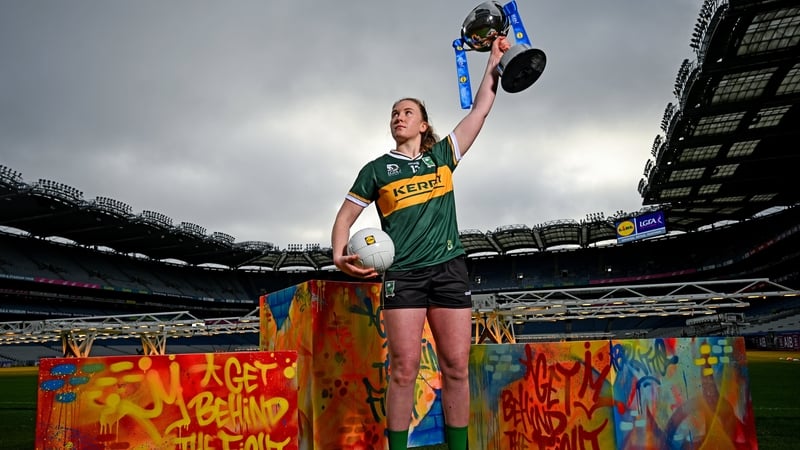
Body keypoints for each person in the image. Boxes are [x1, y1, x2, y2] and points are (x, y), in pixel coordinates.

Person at [331, 36, 510, 450]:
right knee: (403, 369)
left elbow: (481, 108)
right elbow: (345, 217)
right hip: (403, 275)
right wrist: (339, 254)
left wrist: (494, 61)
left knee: (455, 367)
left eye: (407, 112)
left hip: (449, 268)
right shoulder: (376, 170)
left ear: (423, 124)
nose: (398, 117)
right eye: (394, 113)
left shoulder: (442, 156)